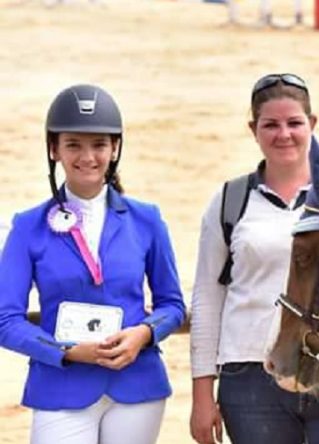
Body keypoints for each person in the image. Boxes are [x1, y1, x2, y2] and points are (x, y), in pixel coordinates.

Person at [189, 73, 319, 444]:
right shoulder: (229, 201)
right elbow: (207, 298)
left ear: (312, 125)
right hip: (252, 381)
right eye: (270, 124)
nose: (283, 134)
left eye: (294, 123)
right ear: (254, 129)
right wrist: (202, 394)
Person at [0, 84, 186, 444]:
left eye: (99, 145)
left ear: (115, 148)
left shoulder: (147, 220)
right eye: (73, 144)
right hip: (60, 387)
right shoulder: (26, 226)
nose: (88, 157)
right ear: (54, 149)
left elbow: (172, 305)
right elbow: (5, 319)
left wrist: (143, 334)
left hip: (137, 385)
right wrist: (66, 352)